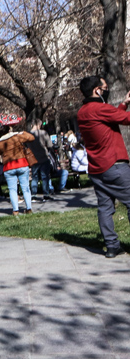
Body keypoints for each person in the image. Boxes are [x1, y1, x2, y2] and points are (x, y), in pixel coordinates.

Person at [77, 75, 130, 257]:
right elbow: (125, 119)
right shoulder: (100, 108)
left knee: (105, 208)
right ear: (97, 90)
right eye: (104, 87)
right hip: (115, 165)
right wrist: (124, 109)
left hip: (97, 169)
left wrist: (124, 104)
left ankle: (112, 246)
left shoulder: (83, 112)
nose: (106, 90)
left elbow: (113, 118)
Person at [0, 124, 35, 216]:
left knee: (12, 189)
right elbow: (31, 138)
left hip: (8, 167)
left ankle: (15, 210)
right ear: (9, 130)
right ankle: (28, 208)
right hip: (21, 163)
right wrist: (22, 132)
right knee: (25, 188)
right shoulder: (16, 137)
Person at [28, 125, 53, 201]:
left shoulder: (28, 135)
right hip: (43, 158)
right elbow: (50, 145)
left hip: (33, 159)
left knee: (34, 177)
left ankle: (33, 195)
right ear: (39, 125)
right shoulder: (43, 133)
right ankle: (46, 194)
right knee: (44, 177)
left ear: (32, 125)